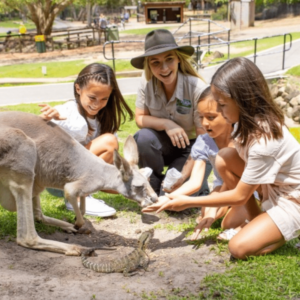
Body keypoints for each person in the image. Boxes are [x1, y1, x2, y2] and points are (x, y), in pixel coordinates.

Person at [143, 57, 300, 259]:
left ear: (243, 100)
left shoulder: (264, 139)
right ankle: (258, 220)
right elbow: (228, 182)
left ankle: (281, 233)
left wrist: (187, 202)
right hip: (269, 189)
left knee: (238, 248)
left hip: (292, 199)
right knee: (224, 157)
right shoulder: (241, 125)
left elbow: (240, 196)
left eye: (222, 104)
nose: (220, 110)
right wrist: (175, 198)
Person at [158, 86, 259, 237]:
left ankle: (255, 213)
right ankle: (236, 211)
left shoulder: (240, 137)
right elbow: (195, 182)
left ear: (226, 114)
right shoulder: (203, 141)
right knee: (208, 212)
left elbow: (230, 180)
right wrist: (167, 199)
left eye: (211, 117)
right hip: (223, 187)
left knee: (226, 222)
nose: (204, 123)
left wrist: (214, 202)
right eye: (200, 117)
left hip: (247, 186)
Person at [39, 63, 134, 217]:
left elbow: (106, 165)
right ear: (78, 89)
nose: (97, 104)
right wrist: (47, 119)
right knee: (109, 142)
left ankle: (84, 194)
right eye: (92, 97)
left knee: (124, 182)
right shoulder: (66, 111)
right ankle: (76, 198)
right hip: (56, 177)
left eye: (104, 99)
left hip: (75, 175)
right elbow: (36, 137)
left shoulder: (104, 119)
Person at [130, 29, 211, 197]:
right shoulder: (146, 83)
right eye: (155, 63)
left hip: (193, 147)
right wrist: (167, 124)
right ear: (148, 66)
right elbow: (139, 118)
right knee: (143, 137)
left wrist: (184, 176)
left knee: (173, 197)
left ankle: (198, 185)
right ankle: (152, 183)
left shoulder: (197, 87)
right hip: (162, 145)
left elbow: (204, 139)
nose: (164, 68)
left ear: (179, 59)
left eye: (169, 59)